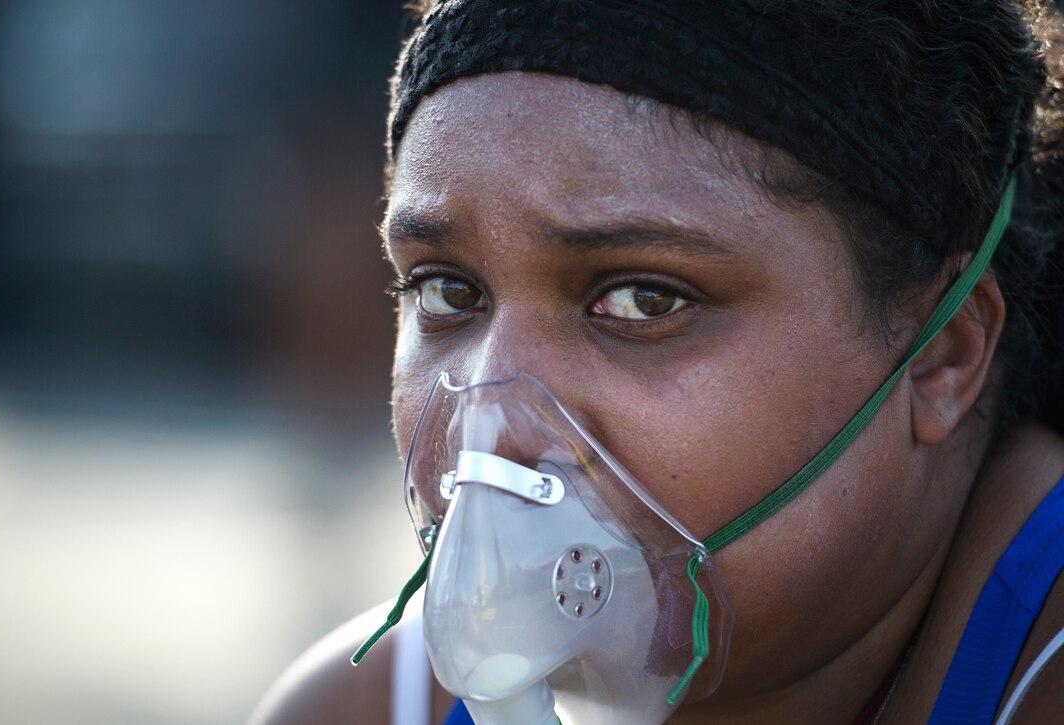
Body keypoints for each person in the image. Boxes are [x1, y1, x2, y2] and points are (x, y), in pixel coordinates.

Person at [249, 1, 1064, 722]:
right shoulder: (359, 706)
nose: (488, 429)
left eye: (642, 300)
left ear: (942, 360)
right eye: (447, 291)